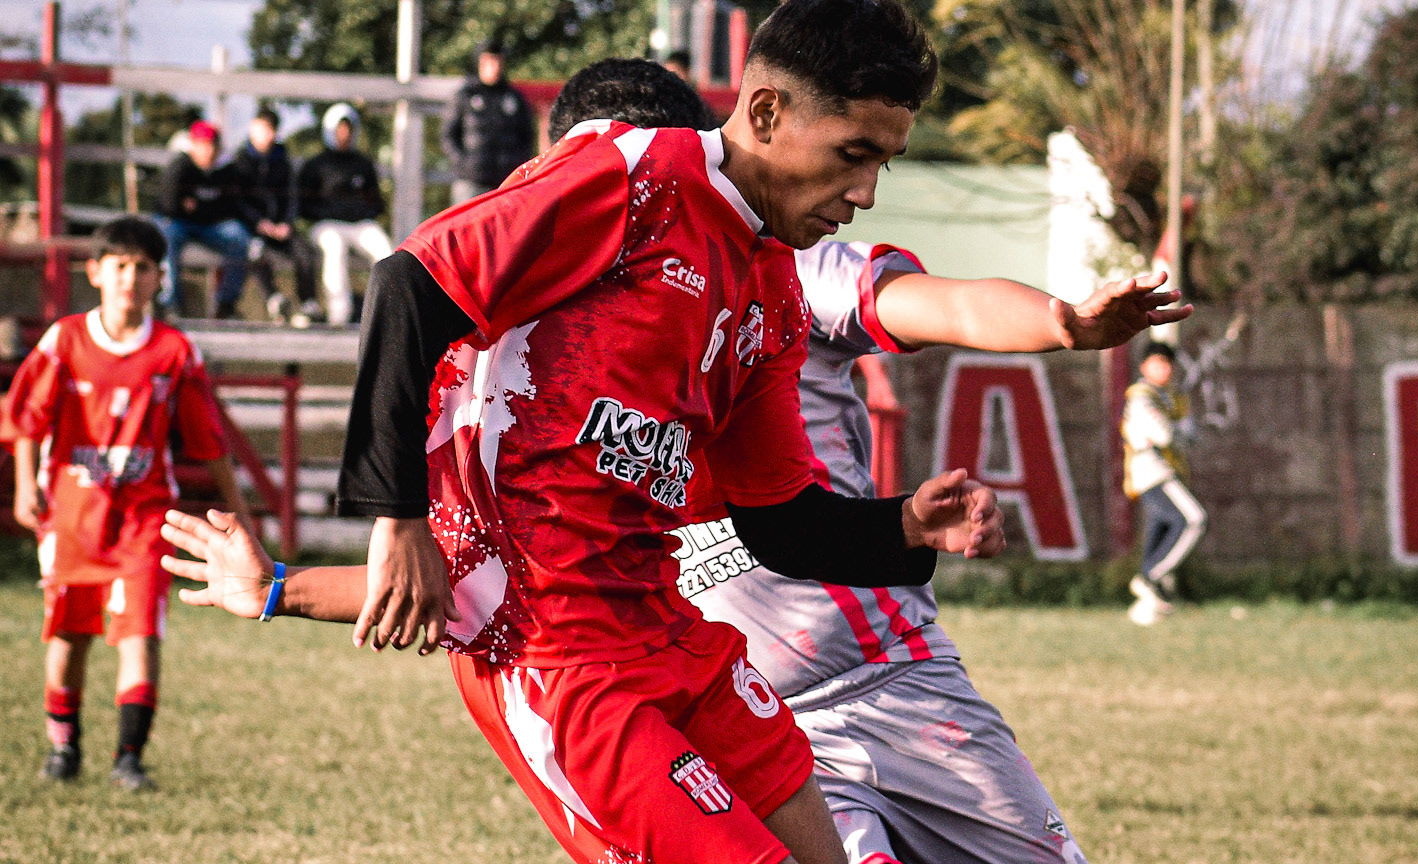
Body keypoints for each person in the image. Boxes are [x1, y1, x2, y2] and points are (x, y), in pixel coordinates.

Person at [167, 7, 1000, 861]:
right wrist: (397, 520)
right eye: (852, 155)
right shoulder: (635, 177)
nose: (866, 193)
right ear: (765, 112)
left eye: (882, 163)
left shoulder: (773, 292)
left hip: (672, 632)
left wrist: (904, 525)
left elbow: (779, 518)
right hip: (559, 668)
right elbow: (407, 285)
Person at [676, 239, 1187, 864]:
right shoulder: (589, 327)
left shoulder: (791, 275)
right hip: (754, 724)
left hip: (899, 679)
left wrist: (1063, 324)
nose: (860, 196)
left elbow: (954, 306)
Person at [3, 217, 250, 789]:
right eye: (120, 266)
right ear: (95, 272)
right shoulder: (64, 340)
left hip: (144, 517)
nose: (130, 279)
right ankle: (63, 748)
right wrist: (24, 486)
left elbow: (209, 439)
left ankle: (129, 759)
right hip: (73, 518)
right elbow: (26, 417)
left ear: (160, 277)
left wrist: (238, 510)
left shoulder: (174, 352)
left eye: (143, 268)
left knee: (141, 633)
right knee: (68, 636)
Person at [1122, 340, 1206, 626]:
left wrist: (1176, 430)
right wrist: (1177, 430)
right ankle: (1150, 576)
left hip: (1169, 469)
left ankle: (1146, 609)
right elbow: (1165, 435)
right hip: (1152, 471)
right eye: (1157, 363)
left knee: (1160, 530)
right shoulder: (1142, 397)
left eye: (1168, 363)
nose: (1164, 369)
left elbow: (1190, 435)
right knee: (1193, 520)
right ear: (1144, 366)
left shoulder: (1171, 397)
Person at [297, 103, 392, 325]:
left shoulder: (363, 164)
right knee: (335, 247)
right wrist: (332, 211)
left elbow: (376, 202)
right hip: (327, 225)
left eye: (348, 129)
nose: (344, 134)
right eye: (339, 129)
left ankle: (387, 314)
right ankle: (339, 315)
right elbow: (304, 206)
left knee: (385, 250)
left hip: (359, 225)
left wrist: (359, 211)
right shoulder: (316, 165)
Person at [230, 107, 322, 325]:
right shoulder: (240, 162)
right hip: (253, 229)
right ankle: (274, 299)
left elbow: (292, 197)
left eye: (271, 130)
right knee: (254, 252)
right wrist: (258, 223)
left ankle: (308, 303)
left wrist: (286, 223)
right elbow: (237, 201)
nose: (267, 135)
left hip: (281, 228)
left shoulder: (283, 162)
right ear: (252, 128)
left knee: (303, 251)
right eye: (263, 129)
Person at [154, 120, 251, 318]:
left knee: (240, 237)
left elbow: (231, 207)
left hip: (210, 226)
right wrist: (206, 208)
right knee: (166, 236)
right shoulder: (179, 166)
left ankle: (226, 304)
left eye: (212, 145)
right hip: (178, 223)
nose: (208, 151)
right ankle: (170, 304)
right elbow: (169, 206)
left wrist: (196, 206)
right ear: (193, 145)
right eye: (202, 145)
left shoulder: (227, 170)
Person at [443, 40, 537, 205]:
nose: (494, 67)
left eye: (498, 61)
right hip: (471, 182)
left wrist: (517, 164)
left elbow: (527, 136)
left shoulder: (514, 98)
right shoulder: (464, 96)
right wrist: (465, 165)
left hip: (506, 182)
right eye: (489, 62)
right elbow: (449, 135)